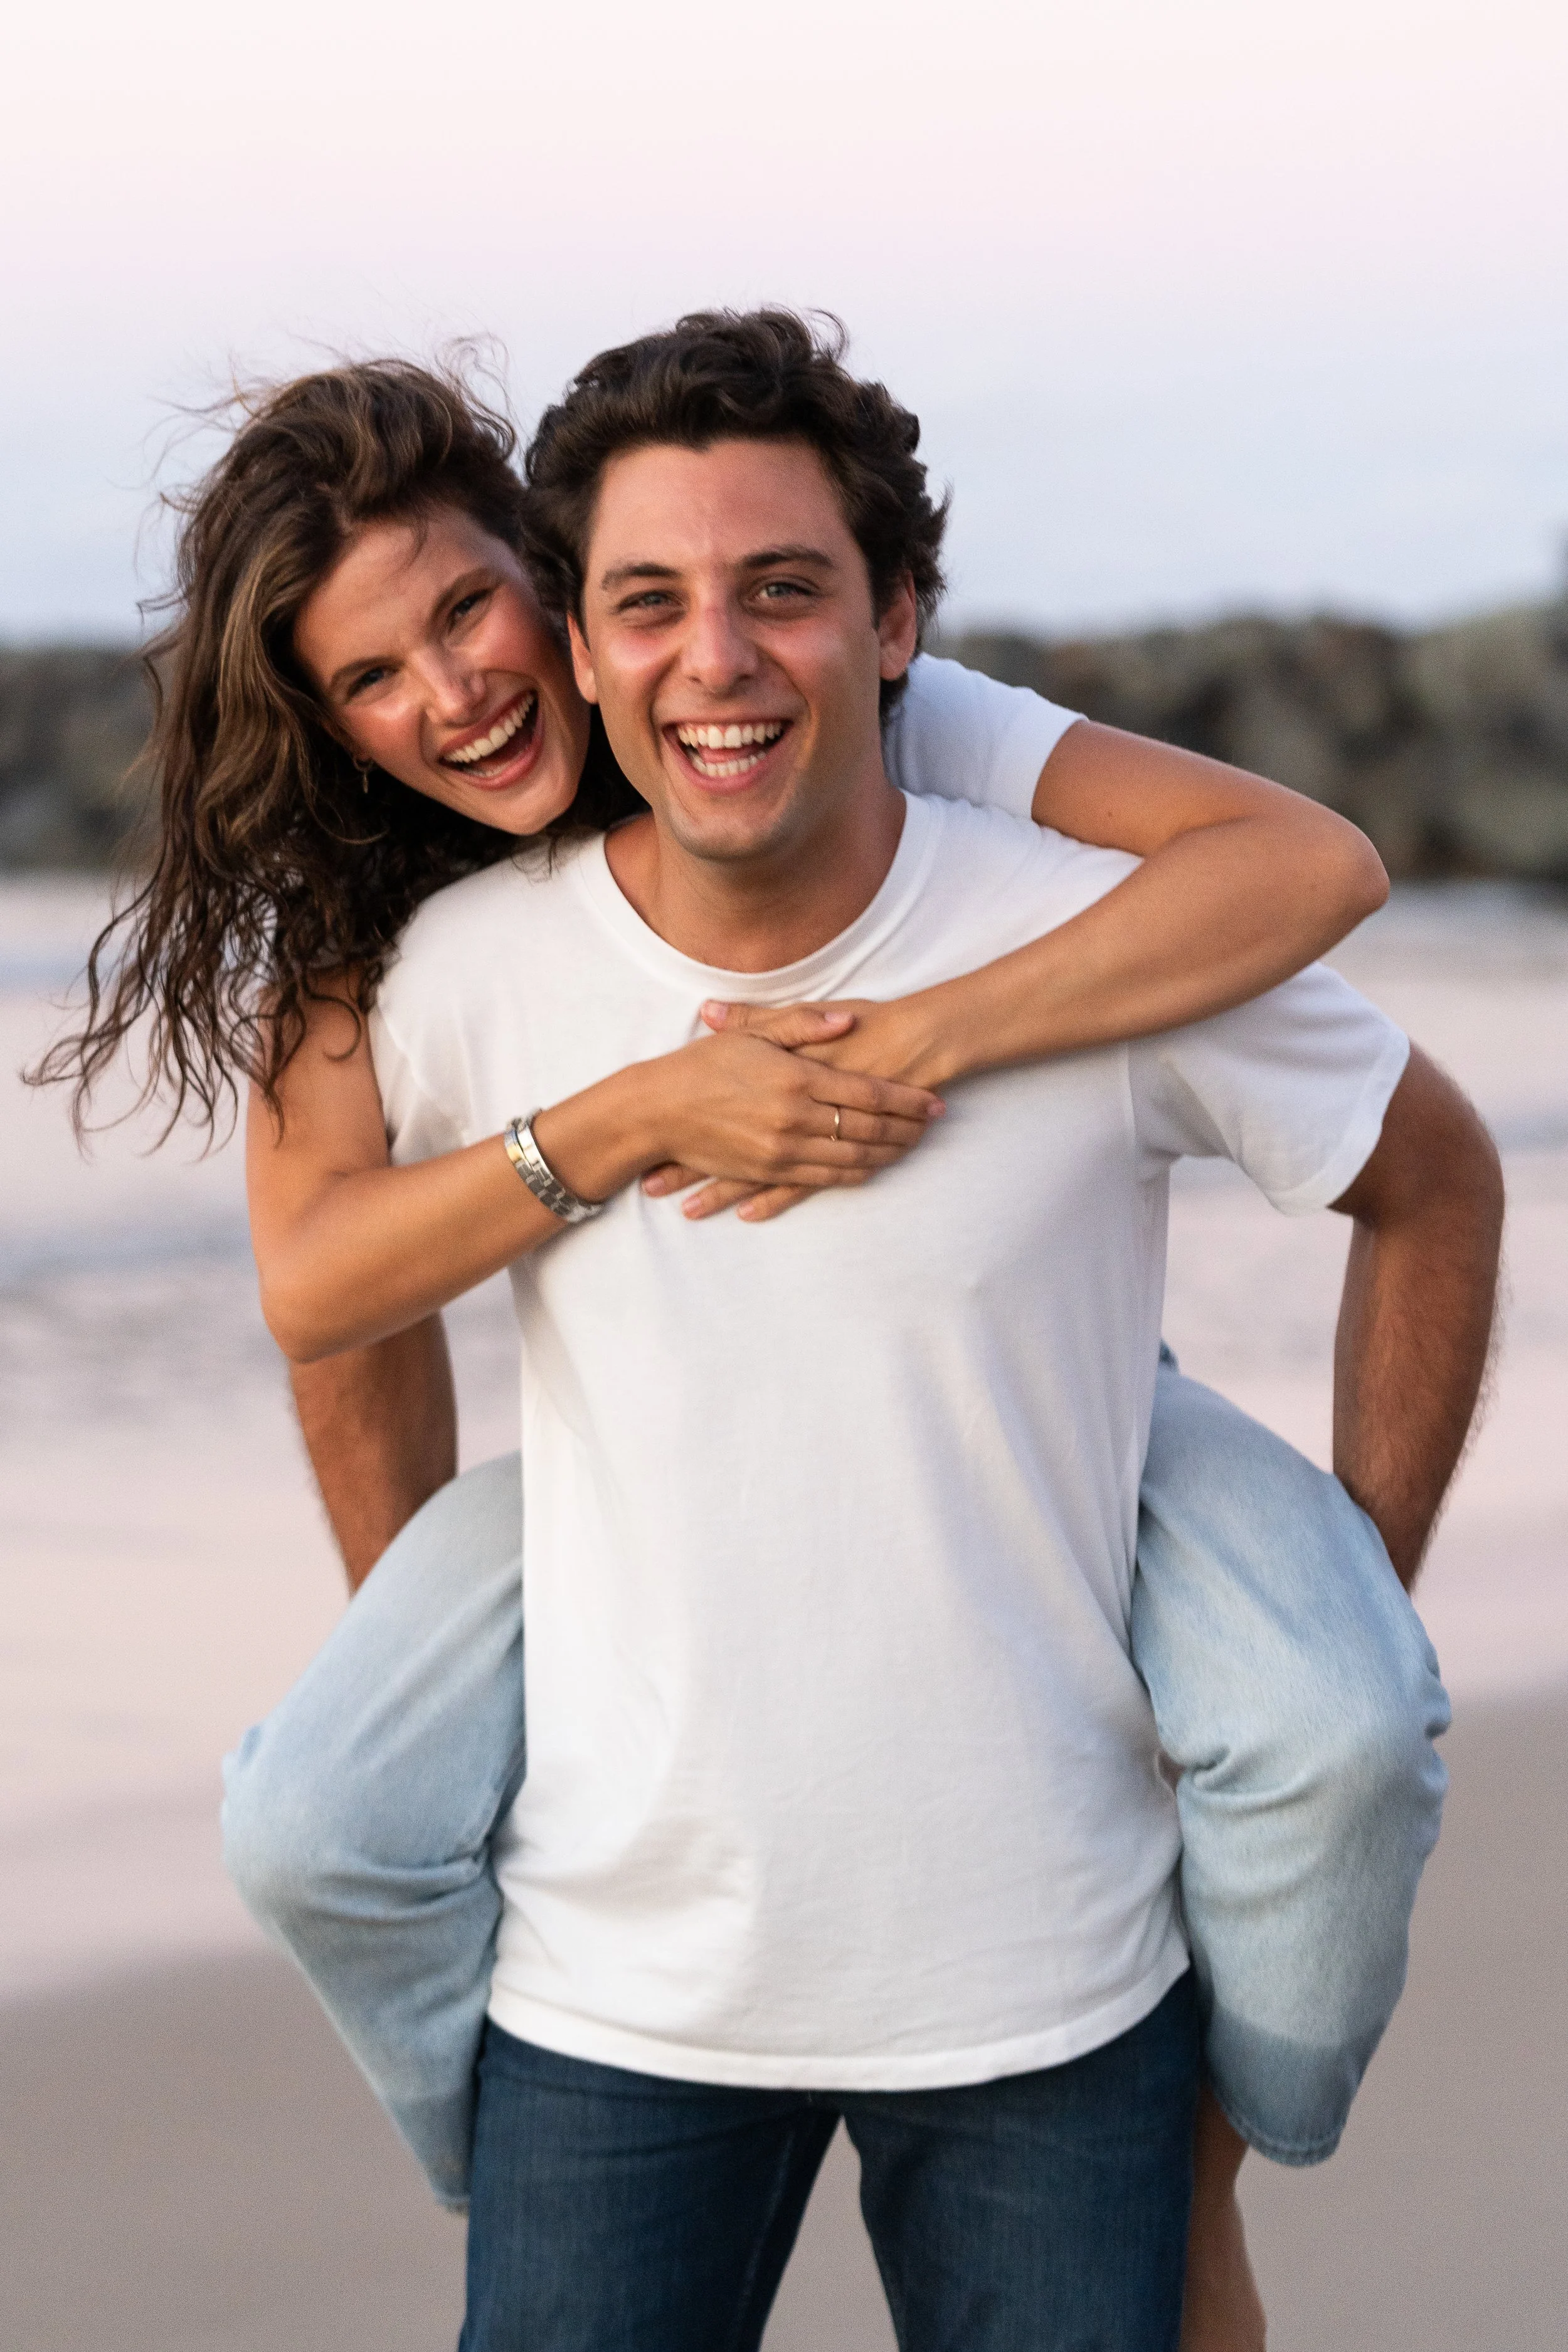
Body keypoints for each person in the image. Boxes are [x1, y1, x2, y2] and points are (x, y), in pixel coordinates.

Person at [216, 314, 1498, 2351]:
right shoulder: (421, 958)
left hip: (1048, 1982)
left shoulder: (1046, 863)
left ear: (892, 618)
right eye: (375, 674)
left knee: (1344, 1721)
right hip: (614, 2001)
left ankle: (1220, 2152)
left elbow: (1356, 994)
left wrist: (927, 1039)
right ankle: (487, 2119)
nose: (455, 687)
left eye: (471, 612)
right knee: (315, 1821)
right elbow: (332, 1291)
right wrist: (478, 1645)